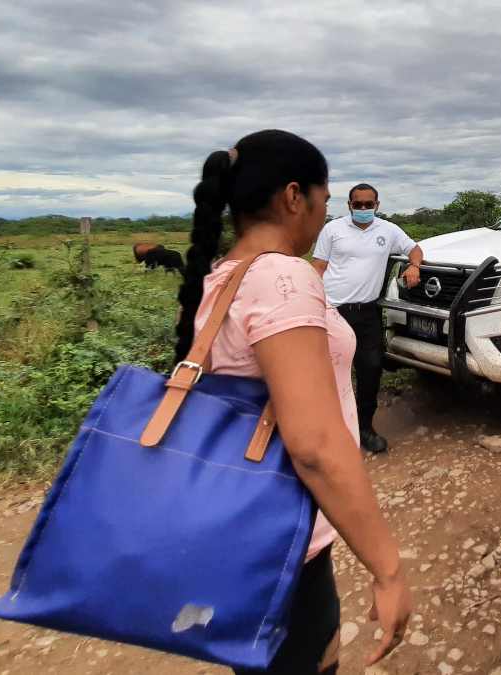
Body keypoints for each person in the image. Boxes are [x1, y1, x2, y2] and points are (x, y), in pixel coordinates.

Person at [175, 131, 412, 674]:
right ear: (292, 197)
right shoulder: (283, 276)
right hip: (282, 541)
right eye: (326, 200)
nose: (329, 212)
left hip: (237, 527)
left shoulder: (224, 276)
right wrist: (388, 569)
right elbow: (314, 446)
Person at [312, 184, 424, 454]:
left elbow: (414, 248)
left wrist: (414, 265)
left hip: (368, 313)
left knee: (370, 369)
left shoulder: (387, 230)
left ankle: (364, 428)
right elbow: (318, 267)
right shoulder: (333, 230)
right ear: (349, 205)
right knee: (329, 373)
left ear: (377, 204)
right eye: (357, 204)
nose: (363, 209)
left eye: (368, 204)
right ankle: (326, 430)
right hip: (333, 311)